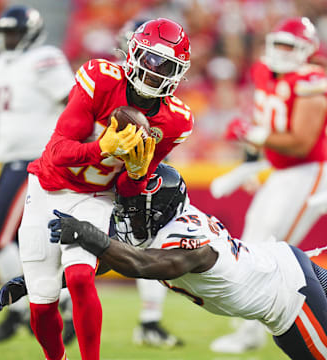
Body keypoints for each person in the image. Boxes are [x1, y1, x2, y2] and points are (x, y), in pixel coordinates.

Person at [18, 18, 193, 360]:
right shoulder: (100, 78)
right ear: (132, 54)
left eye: (166, 66)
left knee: (81, 276)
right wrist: (101, 148)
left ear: (179, 72)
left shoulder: (175, 120)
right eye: (148, 60)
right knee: (42, 300)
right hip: (48, 187)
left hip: (96, 197)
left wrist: (138, 172)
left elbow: (129, 194)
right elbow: (56, 152)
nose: (154, 72)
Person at [43, 163, 327, 360]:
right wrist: (41, 284)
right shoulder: (162, 224)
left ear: (160, 210)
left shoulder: (191, 243)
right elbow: (108, 260)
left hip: (292, 298)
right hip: (286, 265)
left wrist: (88, 233)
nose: (129, 217)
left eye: (136, 210)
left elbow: (142, 265)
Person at [209, 16, 327, 353]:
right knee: (251, 246)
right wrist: (249, 165)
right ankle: (249, 332)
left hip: (310, 171)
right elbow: (267, 123)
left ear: (306, 49)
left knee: (275, 252)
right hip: (281, 172)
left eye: (292, 45)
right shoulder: (264, 72)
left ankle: (257, 332)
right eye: (281, 43)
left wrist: (254, 135)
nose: (284, 51)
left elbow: (303, 142)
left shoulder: (311, 81)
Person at [0, 5, 75, 343]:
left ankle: (23, 310)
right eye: (5, 33)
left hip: (34, 160)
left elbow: (73, 101)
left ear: (31, 34)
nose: (9, 39)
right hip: (10, 159)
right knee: (30, 245)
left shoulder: (45, 58)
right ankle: (57, 306)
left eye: (15, 33)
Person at [115, 17, 183, 348]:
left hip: (140, 168)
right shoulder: (108, 80)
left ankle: (150, 320)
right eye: (147, 57)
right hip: (99, 168)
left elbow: (169, 122)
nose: (152, 67)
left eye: (160, 61)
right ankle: (62, 309)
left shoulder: (170, 104)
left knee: (146, 243)